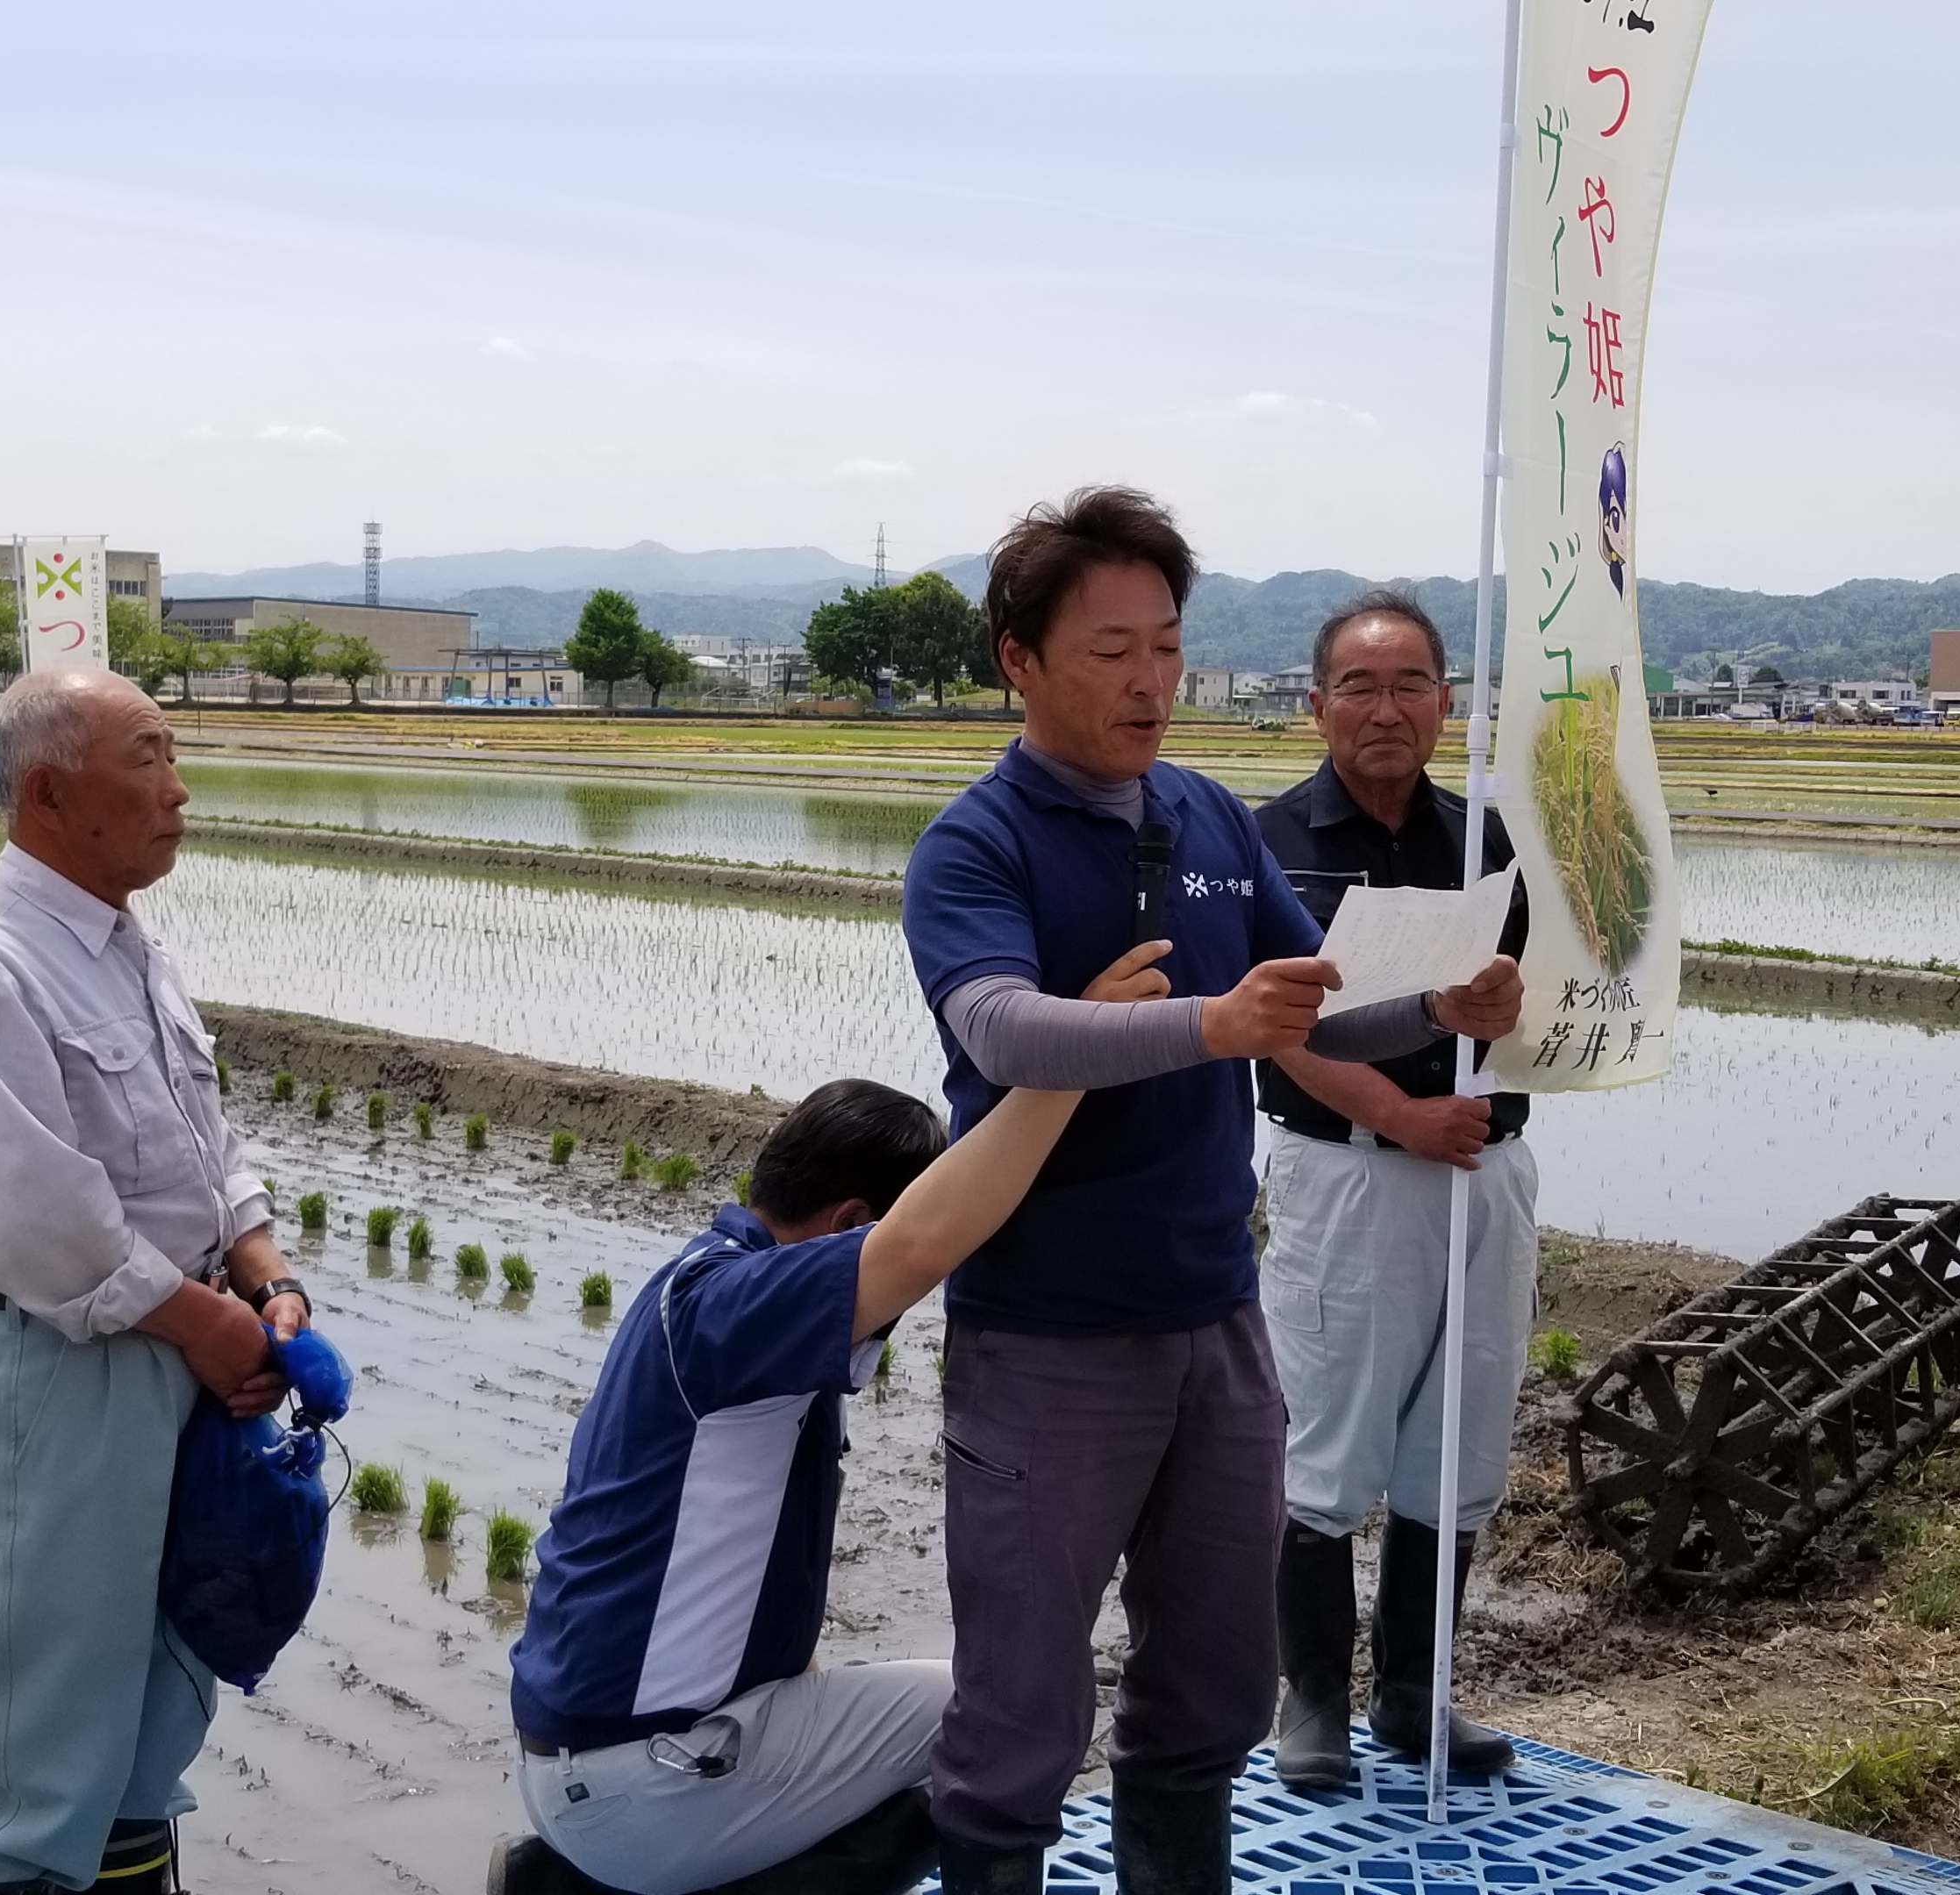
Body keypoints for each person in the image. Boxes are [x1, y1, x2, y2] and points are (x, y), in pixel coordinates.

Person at [898, 489, 1522, 1894]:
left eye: (1168, 646)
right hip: (1049, 1335)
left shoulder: (1203, 818)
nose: (1150, 682)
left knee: (1212, 1691)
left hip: (1213, 1326)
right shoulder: (976, 845)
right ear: (1019, 659)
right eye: (1112, 648)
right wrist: (1208, 1027)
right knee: (1020, 1713)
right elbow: (999, 1027)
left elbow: (1304, 1009)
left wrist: (1435, 996)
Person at [0, 669, 310, 1895]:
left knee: (153, 1714)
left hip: (180, 1349)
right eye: (151, 760)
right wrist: (209, 1325)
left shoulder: (127, 947)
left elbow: (202, 1145)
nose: (180, 792)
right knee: (48, 1751)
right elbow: (34, 1217)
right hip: (63, 1376)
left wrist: (266, 1278)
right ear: (52, 793)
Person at [494, 1065, 1100, 1895]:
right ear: (850, 1222)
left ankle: (581, 1880)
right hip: (635, 1783)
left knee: (909, 1707)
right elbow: (925, 1240)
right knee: (1012, 1717)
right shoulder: (738, 1309)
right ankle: (601, 1888)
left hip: (592, 1759)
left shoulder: (703, 1286)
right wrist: (1075, 1063)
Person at [1249, 589, 1534, 1790]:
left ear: (1445, 702)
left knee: (1457, 1441)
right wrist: (1400, 1112)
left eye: (1409, 684)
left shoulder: (1489, 840)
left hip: (1486, 1173)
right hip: (1351, 1176)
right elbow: (1274, 1027)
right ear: (1316, 705)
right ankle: (1310, 1698)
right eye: (1358, 687)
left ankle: (1417, 1698)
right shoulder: (1266, 840)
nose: (1385, 709)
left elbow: (1542, 994)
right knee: (1327, 1440)